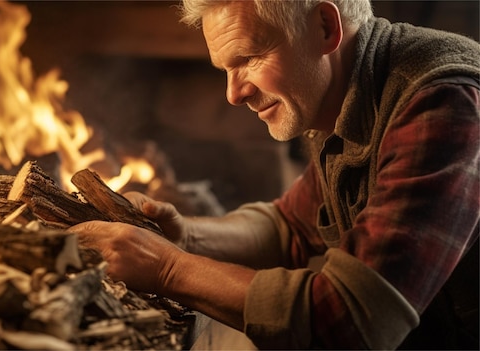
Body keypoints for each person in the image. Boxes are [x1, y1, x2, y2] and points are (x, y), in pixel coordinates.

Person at [69, 0, 480, 349]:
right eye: (225, 69)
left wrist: (167, 269)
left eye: (248, 59)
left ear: (324, 27)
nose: (233, 94)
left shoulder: (443, 104)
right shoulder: (346, 93)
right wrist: (185, 236)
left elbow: (351, 319)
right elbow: (289, 227)